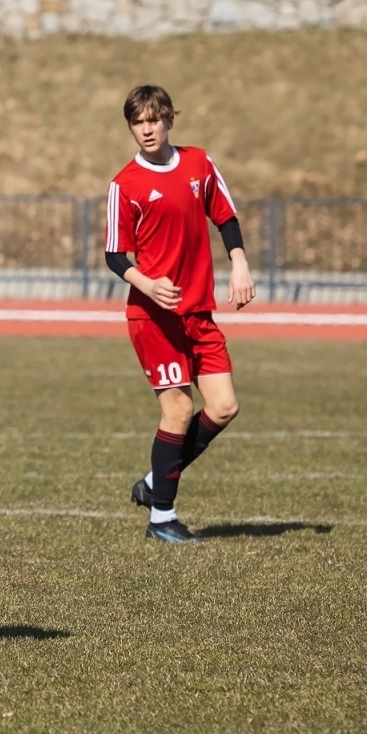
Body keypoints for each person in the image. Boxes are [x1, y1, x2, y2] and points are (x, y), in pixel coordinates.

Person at [104, 85, 255, 543]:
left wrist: (239, 262)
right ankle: (161, 519)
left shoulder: (199, 164)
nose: (146, 129)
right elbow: (115, 255)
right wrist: (148, 284)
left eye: (154, 119)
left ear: (169, 119)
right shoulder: (124, 185)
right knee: (180, 409)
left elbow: (225, 216)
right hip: (154, 317)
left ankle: (155, 482)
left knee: (224, 406)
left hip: (198, 310)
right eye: (138, 122)